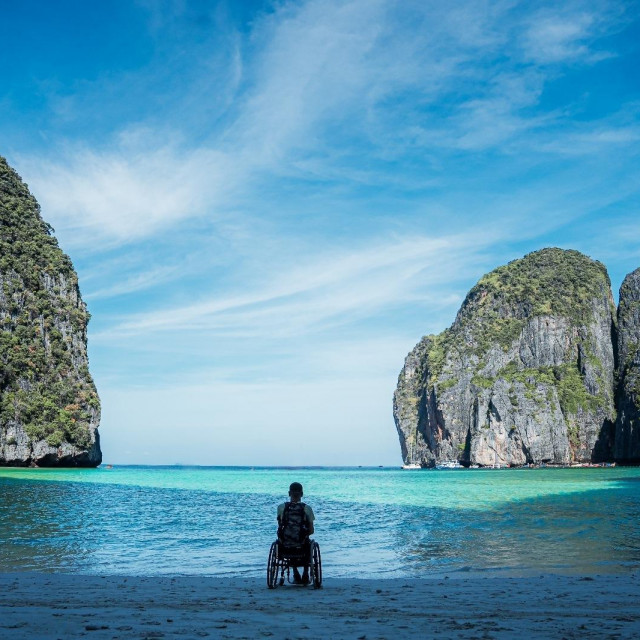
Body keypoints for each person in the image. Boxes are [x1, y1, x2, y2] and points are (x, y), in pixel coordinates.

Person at [277, 482, 315, 584]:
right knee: (307, 541)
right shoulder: (307, 508)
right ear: (301, 494)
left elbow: (280, 527)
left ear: (289, 493)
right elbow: (311, 530)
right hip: (301, 545)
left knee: (288, 540)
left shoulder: (281, 508)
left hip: (285, 544)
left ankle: (295, 572)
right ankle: (306, 573)